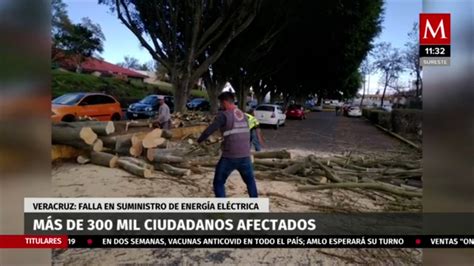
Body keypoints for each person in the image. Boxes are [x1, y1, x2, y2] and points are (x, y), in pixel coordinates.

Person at [197, 92, 258, 198]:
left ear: (225, 102)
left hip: (230, 156)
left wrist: (199, 140)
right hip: (245, 156)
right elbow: (247, 133)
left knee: (218, 182)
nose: (221, 106)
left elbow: (210, 129)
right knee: (250, 182)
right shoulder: (243, 115)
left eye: (221, 103)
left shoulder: (224, 115)